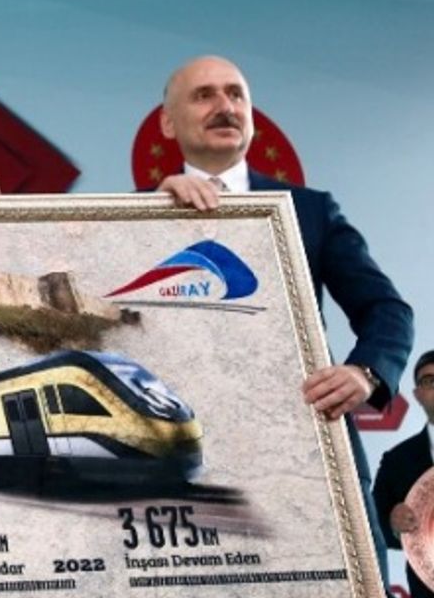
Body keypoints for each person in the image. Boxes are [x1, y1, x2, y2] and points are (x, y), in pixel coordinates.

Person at [156, 55, 415, 591]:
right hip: (189, 463)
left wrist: (365, 372)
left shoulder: (311, 210)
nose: (225, 106)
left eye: (236, 94)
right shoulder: (130, 213)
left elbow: (387, 310)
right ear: (167, 122)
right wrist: (155, 219)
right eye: (204, 95)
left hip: (310, 456)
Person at [374, 350, 434, 598]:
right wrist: (392, 523)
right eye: (429, 380)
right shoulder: (396, 461)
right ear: (417, 395)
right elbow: (372, 526)